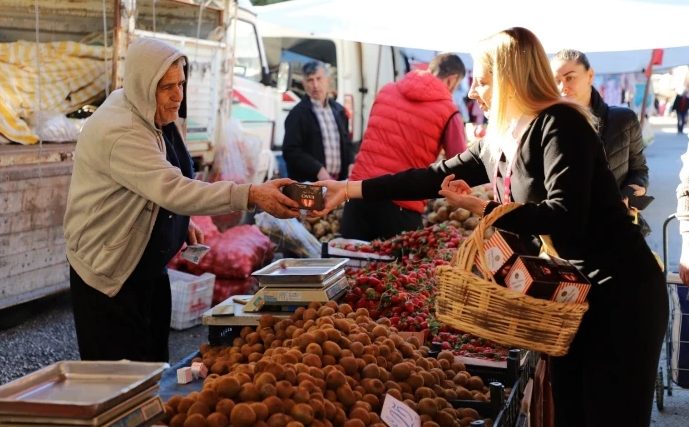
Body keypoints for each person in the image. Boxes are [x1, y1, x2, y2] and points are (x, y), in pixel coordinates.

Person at [314, 28, 668, 427]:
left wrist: (485, 207)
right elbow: (431, 176)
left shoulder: (560, 124)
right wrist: (347, 190)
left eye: (480, 81)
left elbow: (565, 214)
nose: (470, 93)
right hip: (571, 297)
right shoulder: (498, 139)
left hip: (621, 295)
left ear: (508, 79)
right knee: (572, 414)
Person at [63, 37, 300, 363]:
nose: (178, 96)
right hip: (111, 275)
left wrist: (178, 223)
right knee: (119, 381)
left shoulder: (150, 112)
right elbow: (172, 188)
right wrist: (251, 194)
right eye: (167, 87)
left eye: (181, 84)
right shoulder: (121, 131)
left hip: (146, 268)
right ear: (143, 85)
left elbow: (167, 177)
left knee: (154, 368)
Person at [341, 53, 467, 240]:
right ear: (452, 80)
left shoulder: (386, 90)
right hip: (400, 206)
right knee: (398, 268)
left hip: (357, 195)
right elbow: (460, 165)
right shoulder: (449, 110)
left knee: (350, 264)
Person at [551, 49, 651, 236]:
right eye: (557, 81)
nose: (562, 87)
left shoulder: (623, 119)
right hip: (568, 233)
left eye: (570, 78)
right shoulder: (548, 126)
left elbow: (639, 169)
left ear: (590, 76)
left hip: (618, 227)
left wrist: (634, 189)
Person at [282, 61, 354, 182]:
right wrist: (317, 169)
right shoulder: (297, 114)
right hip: (311, 184)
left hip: (339, 183)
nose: (315, 85)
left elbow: (347, 143)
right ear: (304, 84)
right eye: (310, 80)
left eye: (319, 79)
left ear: (328, 81)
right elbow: (291, 151)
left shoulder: (339, 111)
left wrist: (351, 163)